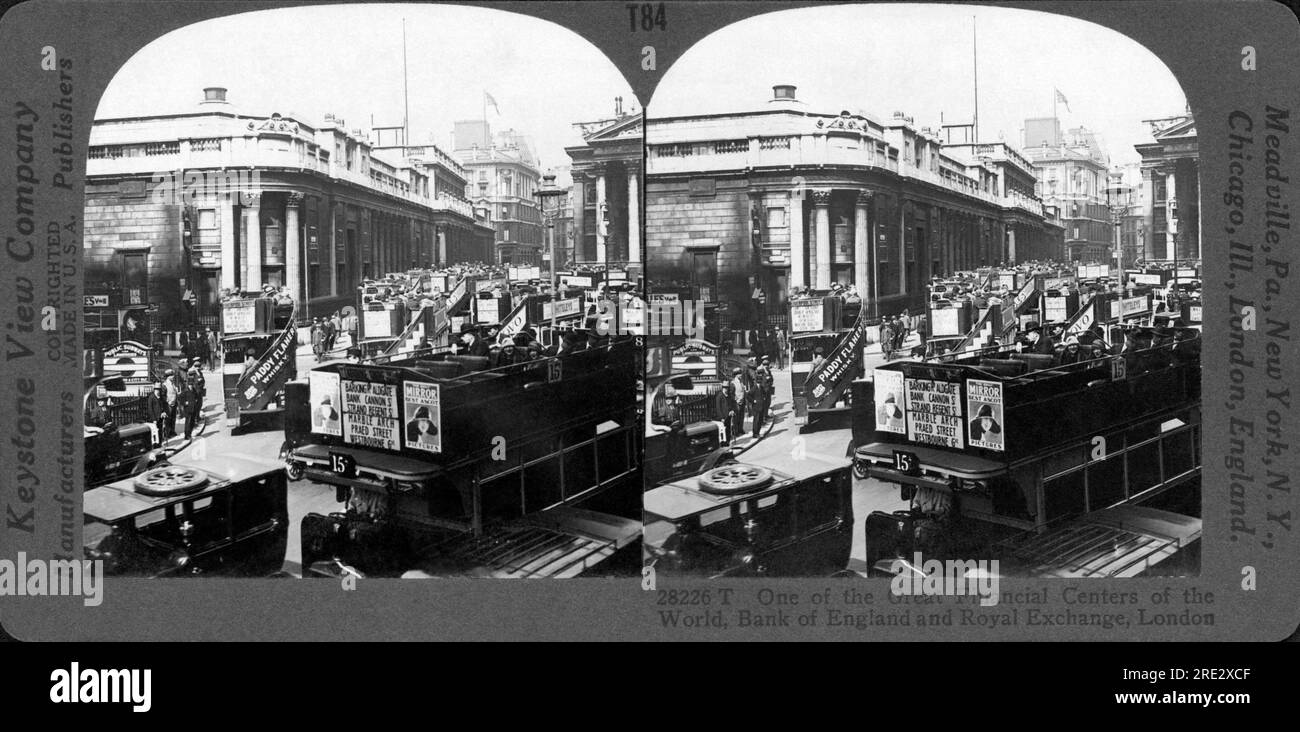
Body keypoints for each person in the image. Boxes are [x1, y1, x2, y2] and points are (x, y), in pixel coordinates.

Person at [751, 356, 774, 439]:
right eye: (765, 365)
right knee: (756, 419)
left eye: (767, 364)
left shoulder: (768, 372)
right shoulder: (755, 386)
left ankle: (758, 432)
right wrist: (753, 401)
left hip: (766, 394)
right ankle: (755, 433)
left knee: (760, 416)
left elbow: (771, 380)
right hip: (757, 404)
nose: (766, 366)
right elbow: (749, 395)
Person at [728, 367, 748, 442]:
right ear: (736, 375)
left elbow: (743, 391)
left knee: (741, 416)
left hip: (742, 402)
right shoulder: (733, 383)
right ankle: (735, 432)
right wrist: (736, 400)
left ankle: (740, 429)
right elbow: (732, 394)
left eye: (741, 373)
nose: (741, 375)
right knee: (736, 418)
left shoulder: (741, 382)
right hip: (736, 403)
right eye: (739, 374)